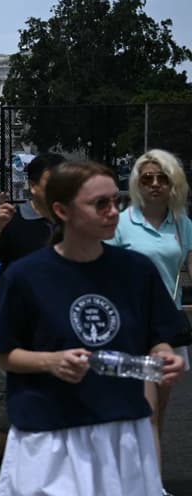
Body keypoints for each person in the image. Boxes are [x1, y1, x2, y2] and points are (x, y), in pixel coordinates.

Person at [0, 160, 186, 495]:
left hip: (121, 428)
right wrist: (51, 362)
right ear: (62, 210)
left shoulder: (136, 271)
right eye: (100, 204)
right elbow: (2, 353)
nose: (113, 212)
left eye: (117, 202)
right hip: (49, 431)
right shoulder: (26, 277)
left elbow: (158, 336)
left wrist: (164, 356)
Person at [0, 152, 64, 495]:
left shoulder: (71, 223)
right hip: (18, 333)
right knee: (8, 415)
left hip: (63, 331)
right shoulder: (14, 220)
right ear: (34, 185)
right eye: (52, 181)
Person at [107, 149, 192, 481]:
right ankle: (147, 485)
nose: (155, 184)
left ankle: (144, 481)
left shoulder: (183, 225)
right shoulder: (122, 222)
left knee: (160, 412)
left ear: (174, 182)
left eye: (162, 178)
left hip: (168, 327)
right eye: (147, 178)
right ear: (137, 183)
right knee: (147, 412)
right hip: (131, 326)